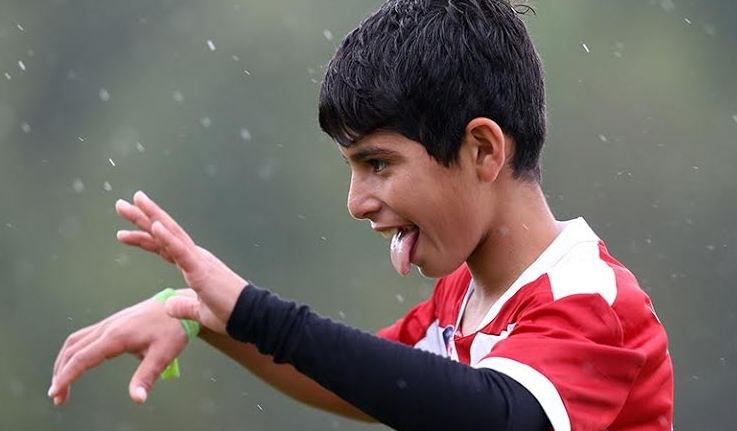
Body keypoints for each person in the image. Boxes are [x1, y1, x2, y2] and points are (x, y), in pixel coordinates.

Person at [48, 1, 674, 430]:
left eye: (378, 163)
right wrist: (201, 316)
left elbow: (498, 415)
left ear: (482, 150)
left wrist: (252, 310)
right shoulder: (461, 295)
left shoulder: (591, 300)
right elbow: (361, 379)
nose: (356, 202)